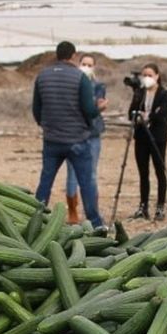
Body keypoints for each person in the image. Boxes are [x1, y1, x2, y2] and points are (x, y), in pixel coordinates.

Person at [33, 41, 104, 228]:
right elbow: (89, 110)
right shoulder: (79, 77)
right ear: (73, 56)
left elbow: (36, 110)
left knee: (45, 182)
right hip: (77, 140)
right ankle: (96, 224)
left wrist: (48, 126)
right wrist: (98, 110)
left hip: (52, 140)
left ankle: (34, 220)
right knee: (87, 183)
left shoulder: (42, 76)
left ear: (57, 55)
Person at [64, 53, 107, 224]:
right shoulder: (71, 84)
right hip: (74, 133)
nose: (87, 67)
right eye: (84, 63)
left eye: (90, 65)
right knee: (72, 174)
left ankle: (92, 210)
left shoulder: (98, 86)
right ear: (78, 64)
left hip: (93, 133)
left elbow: (94, 108)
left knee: (92, 174)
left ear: (94, 68)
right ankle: (72, 210)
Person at [129, 64, 167, 220]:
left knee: (159, 171)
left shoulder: (164, 94)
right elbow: (131, 113)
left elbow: (162, 114)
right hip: (141, 137)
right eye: (144, 75)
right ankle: (143, 206)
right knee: (143, 172)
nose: (146, 78)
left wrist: (148, 116)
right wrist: (138, 114)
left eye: (150, 75)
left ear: (157, 76)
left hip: (157, 137)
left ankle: (160, 206)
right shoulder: (139, 93)